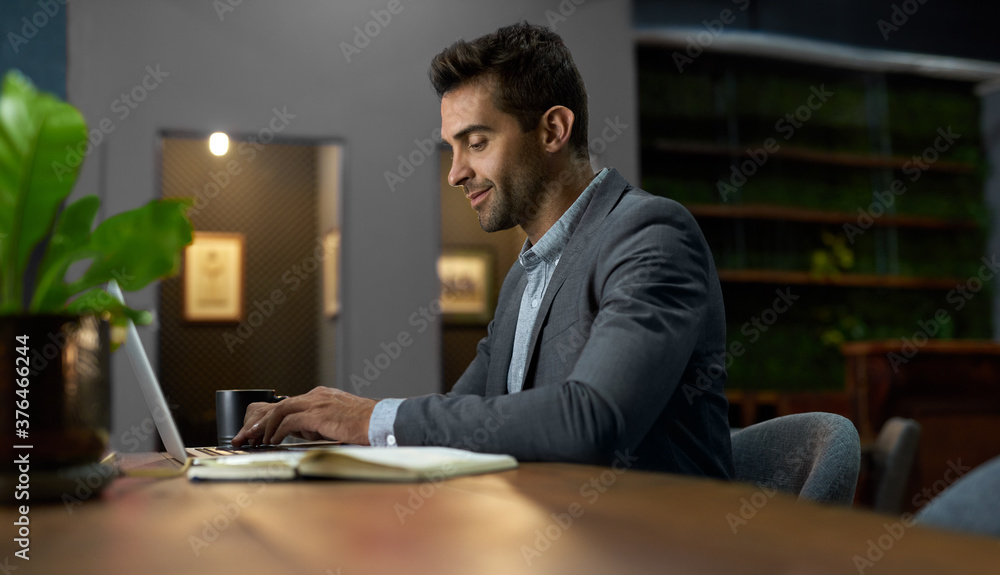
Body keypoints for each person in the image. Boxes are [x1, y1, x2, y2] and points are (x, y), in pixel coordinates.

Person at [233, 22, 733, 478]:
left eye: (475, 143)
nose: (455, 173)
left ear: (553, 130)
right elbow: (463, 419)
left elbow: (593, 421)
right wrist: (328, 427)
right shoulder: (525, 275)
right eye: (452, 147)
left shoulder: (651, 235)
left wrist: (370, 417)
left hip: (659, 544)